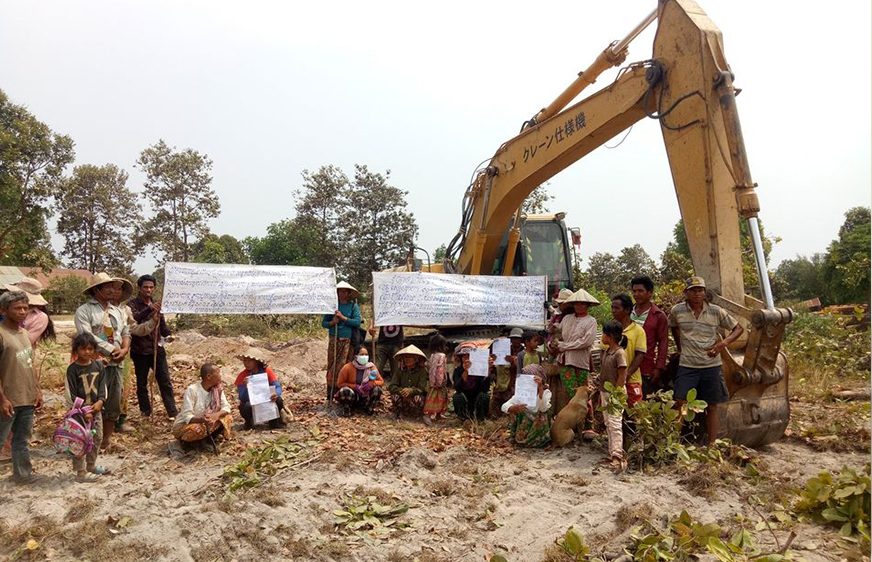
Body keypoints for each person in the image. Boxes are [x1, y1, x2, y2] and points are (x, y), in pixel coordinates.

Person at [668, 276, 744, 445]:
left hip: (711, 366)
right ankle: (672, 443)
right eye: (693, 290)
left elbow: (738, 328)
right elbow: (673, 327)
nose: (697, 293)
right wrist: (680, 348)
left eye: (700, 290)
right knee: (680, 402)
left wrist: (721, 345)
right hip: (687, 365)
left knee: (712, 406)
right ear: (686, 293)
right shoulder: (677, 311)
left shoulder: (716, 311)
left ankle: (711, 445)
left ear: (704, 292)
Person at [74, 272, 130, 450]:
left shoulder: (118, 311)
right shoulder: (84, 311)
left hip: (116, 363)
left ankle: (106, 440)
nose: (112, 290)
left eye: (113, 287)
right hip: (93, 364)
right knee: (91, 402)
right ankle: (88, 439)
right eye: (107, 287)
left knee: (114, 400)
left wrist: (124, 349)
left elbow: (125, 332)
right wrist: (110, 349)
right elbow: (87, 336)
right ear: (96, 290)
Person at [0, 291, 42, 484]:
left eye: (25, 308)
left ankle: (23, 475)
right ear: (4, 310)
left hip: (26, 396)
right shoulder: (1, 334)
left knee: (22, 440)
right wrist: (3, 399)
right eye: (17, 308)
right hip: (7, 398)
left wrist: (37, 389)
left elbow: (29, 363)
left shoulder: (24, 333)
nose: (23, 311)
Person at [127, 274, 178, 422]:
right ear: (139, 288)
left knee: (165, 381)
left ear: (154, 288)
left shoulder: (157, 304)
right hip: (140, 351)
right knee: (141, 384)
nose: (148, 290)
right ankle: (145, 412)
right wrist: (150, 309)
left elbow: (162, 326)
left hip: (157, 349)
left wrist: (168, 335)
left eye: (151, 287)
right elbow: (134, 319)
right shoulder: (132, 305)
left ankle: (172, 411)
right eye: (145, 287)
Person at [65, 333, 108, 481]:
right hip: (79, 412)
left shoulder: (98, 366)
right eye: (83, 349)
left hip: (96, 410)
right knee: (79, 440)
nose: (87, 352)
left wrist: (101, 401)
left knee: (97, 437)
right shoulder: (72, 370)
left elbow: (103, 387)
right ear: (76, 350)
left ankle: (91, 465)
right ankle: (80, 471)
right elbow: (70, 393)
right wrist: (83, 410)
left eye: (90, 349)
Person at [550, 289, 599, 414]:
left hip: (580, 362)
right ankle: (572, 422)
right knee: (570, 393)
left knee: (582, 394)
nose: (579, 306)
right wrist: (553, 329)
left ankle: (588, 424)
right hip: (564, 361)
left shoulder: (591, 321)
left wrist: (564, 346)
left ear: (588, 305)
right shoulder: (567, 318)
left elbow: (586, 342)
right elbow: (558, 331)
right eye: (577, 303)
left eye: (582, 303)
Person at [173, 363, 232, 450]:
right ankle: (189, 443)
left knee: (227, 418)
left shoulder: (217, 389)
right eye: (218, 373)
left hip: (208, 421)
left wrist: (216, 415)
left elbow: (226, 407)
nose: (220, 375)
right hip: (187, 425)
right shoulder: (192, 390)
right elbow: (187, 416)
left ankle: (206, 440)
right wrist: (202, 420)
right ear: (209, 376)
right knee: (196, 429)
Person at [630, 276, 669, 397]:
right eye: (634, 291)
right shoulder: (627, 312)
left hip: (645, 367)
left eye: (640, 291)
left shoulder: (658, 315)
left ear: (650, 293)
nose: (636, 294)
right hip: (625, 366)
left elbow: (663, 342)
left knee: (643, 404)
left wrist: (659, 367)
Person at [322, 282, 362, 401]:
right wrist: (333, 322)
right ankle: (330, 393)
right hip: (334, 339)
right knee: (332, 366)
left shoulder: (353, 306)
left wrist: (343, 318)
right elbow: (324, 323)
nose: (342, 294)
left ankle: (343, 394)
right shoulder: (332, 307)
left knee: (344, 366)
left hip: (347, 341)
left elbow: (357, 322)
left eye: (345, 291)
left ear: (349, 293)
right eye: (340, 291)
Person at [598, 321, 628, 471]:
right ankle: (612, 453)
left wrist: (616, 393)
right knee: (608, 422)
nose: (602, 336)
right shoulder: (607, 352)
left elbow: (622, 375)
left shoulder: (619, 353)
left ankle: (617, 455)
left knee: (615, 423)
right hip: (605, 391)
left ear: (609, 337)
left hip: (614, 392)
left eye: (603, 334)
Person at [502, 364, 552, 448]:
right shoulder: (521, 394)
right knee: (513, 411)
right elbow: (504, 406)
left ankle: (537, 440)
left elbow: (543, 408)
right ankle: (519, 438)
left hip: (536, 426)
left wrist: (540, 389)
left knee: (542, 416)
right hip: (524, 426)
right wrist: (513, 408)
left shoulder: (546, 393)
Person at [610, 294, 647, 407]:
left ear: (627, 310)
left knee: (636, 413)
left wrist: (626, 375)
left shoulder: (638, 330)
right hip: (612, 381)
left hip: (632, 380)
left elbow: (640, 355)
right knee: (614, 416)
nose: (613, 311)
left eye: (617, 308)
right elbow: (604, 352)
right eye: (612, 307)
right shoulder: (610, 329)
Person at [234, 349, 285, 430]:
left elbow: (278, 387)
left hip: (267, 400)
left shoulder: (267, 371)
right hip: (252, 403)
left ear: (256, 361)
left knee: (278, 400)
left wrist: (275, 394)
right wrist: (246, 387)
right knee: (245, 406)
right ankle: (249, 422)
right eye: (245, 361)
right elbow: (242, 397)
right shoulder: (242, 376)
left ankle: (273, 422)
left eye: (249, 361)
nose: (246, 363)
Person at [335, 345, 384, 416]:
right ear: (356, 356)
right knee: (345, 390)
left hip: (366, 396)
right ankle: (348, 410)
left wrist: (372, 384)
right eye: (362, 354)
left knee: (377, 389)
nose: (364, 356)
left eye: (366, 354)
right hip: (353, 397)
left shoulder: (371, 367)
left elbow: (381, 382)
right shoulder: (347, 367)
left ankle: (369, 410)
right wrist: (354, 386)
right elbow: (340, 384)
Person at [490, 328, 524, 418]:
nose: (515, 341)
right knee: (496, 400)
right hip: (501, 379)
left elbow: (523, 368)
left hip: (514, 381)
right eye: (513, 338)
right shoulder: (504, 349)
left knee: (511, 398)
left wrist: (513, 361)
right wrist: (495, 359)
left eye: (517, 338)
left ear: (521, 340)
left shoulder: (523, 352)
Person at [388, 345, 429, 420]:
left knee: (418, 398)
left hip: (415, 396)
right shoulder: (399, 370)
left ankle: (417, 414)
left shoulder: (422, 371)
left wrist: (411, 391)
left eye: (410, 357)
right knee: (395, 396)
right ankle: (397, 412)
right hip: (402, 395)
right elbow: (392, 386)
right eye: (405, 357)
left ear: (416, 359)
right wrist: (402, 391)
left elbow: (422, 388)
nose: (407, 359)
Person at [452, 349, 491, 421]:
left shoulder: (479, 370)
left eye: (469, 357)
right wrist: (466, 372)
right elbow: (457, 388)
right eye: (464, 357)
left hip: (477, 400)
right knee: (457, 396)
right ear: (461, 359)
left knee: (484, 395)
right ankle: (463, 418)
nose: (467, 360)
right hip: (465, 400)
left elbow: (485, 388)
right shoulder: (458, 370)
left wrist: (487, 372)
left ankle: (480, 418)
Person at [423, 334, 449, 425]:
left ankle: (438, 414)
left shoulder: (433, 355)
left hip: (433, 380)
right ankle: (429, 415)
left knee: (437, 398)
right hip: (439, 381)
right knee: (437, 398)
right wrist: (439, 381)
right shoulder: (442, 355)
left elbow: (431, 368)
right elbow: (440, 370)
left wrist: (432, 380)